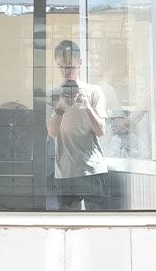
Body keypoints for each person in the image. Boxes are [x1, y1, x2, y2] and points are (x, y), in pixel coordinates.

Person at [46, 39, 108, 210]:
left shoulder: (94, 91)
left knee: (97, 222)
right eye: (61, 66)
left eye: (70, 66)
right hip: (65, 171)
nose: (65, 71)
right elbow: (52, 132)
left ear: (80, 63)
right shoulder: (53, 95)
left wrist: (87, 107)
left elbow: (101, 131)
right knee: (68, 223)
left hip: (93, 168)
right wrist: (60, 108)